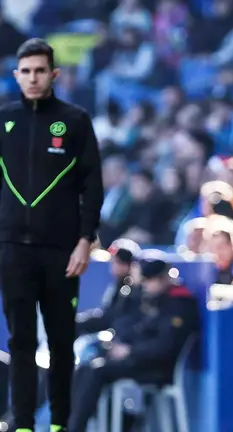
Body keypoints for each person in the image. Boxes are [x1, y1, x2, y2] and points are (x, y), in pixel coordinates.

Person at [0, 39, 104, 432]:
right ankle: (23, 424)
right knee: (20, 342)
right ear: (16, 75)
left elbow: (92, 186)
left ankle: (60, 424)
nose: (32, 78)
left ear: (54, 74)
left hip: (62, 251)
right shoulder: (4, 119)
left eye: (40, 70)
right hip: (12, 250)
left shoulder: (75, 121)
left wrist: (84, 239)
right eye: (25, 71)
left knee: (61, 344)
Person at [67, 252, 200, 431]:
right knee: (85, 367)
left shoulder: (179, 304)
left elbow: (165, 347)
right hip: (139, 360)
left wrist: (130, 351)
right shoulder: (154, 298)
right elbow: (132, 325)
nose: (145, 285)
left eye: (149, 280)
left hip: (157, 367)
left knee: (96, 371)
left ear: (162, 279)